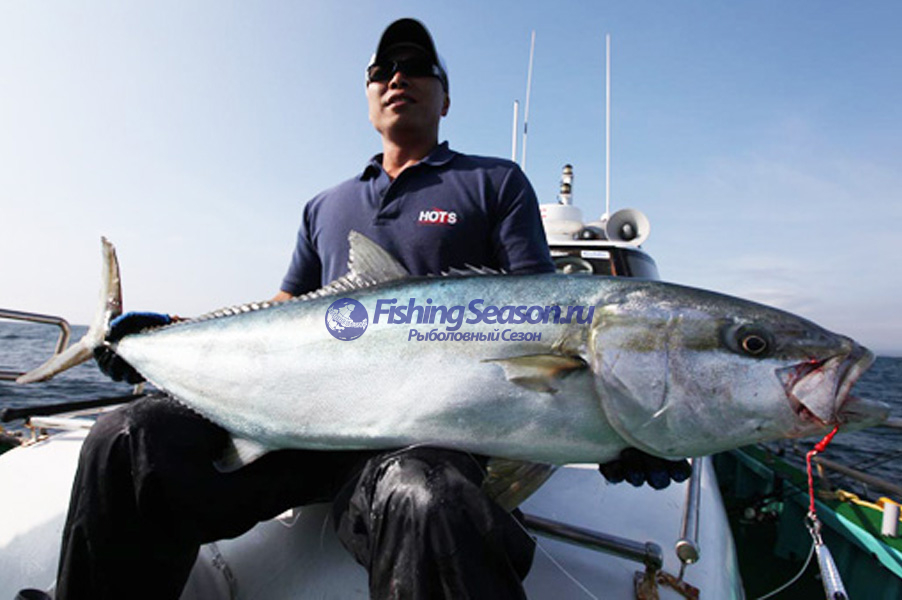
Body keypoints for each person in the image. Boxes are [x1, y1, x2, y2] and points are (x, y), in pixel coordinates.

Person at [35, 18, 688, 600]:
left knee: (428, 496)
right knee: (126, 439)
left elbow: (544, 315)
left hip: (420, 442)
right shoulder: (326, 205)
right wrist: (170, 340)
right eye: (382, 70)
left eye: (417, 67)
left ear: (446, 98)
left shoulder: (494, 182)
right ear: (369, 95)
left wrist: (611, 420)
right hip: (295, 428)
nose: (398, 77)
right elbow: (284, 312)